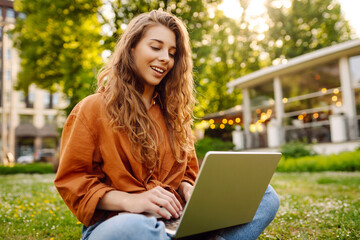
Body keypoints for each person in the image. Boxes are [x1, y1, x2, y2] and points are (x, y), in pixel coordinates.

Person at [54, 10, 280, 240]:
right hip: (120, 222)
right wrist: (133, 201)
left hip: (174, 220)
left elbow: (187, 173)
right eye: (155, 47)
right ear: (131, 48)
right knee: (132, 228)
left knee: (266, 196)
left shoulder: (174, 114)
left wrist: (189, 190)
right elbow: (74, 182)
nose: (165, 58)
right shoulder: (92, 108)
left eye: (172, 53)